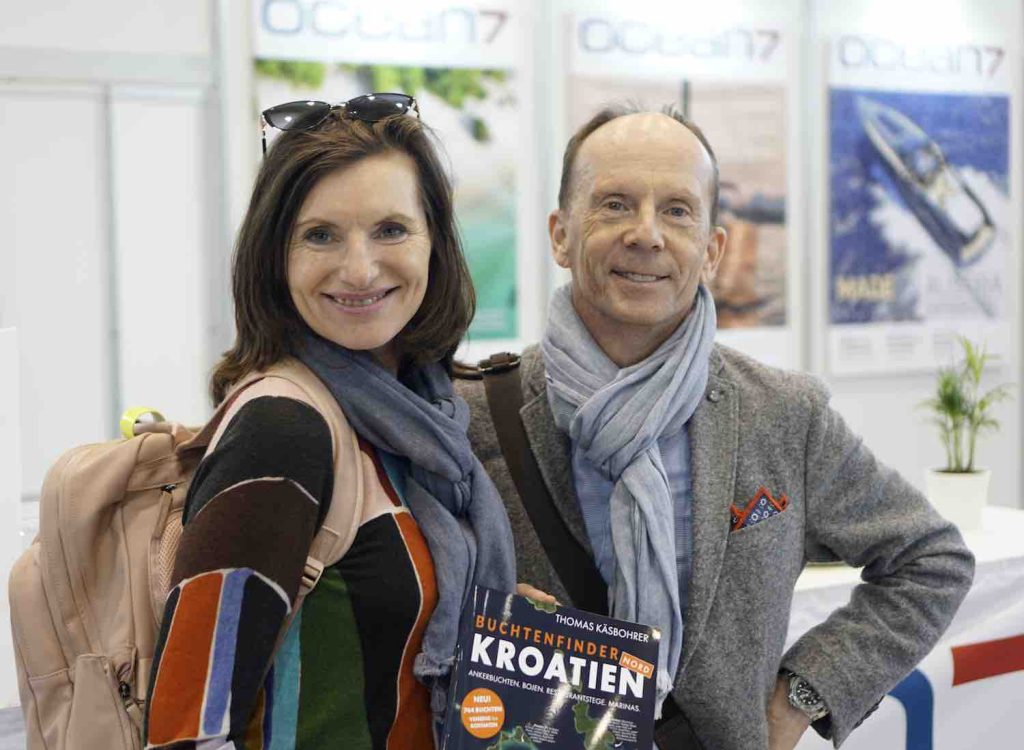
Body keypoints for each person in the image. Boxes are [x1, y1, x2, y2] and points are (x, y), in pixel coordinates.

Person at [457, 105, 975, 749]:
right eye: (615, 204)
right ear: (560, 235)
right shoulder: (473, 415)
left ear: (712, 250)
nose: (647, 234)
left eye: (677, 210)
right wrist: (471, 622)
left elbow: (931, 560)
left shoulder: (782, 414)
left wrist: (802, 696)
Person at [143, 94, 520, 749]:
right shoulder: (281, 432)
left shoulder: (422, 420)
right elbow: (187, 731)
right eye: (320, 235)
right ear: (276, 256)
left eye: (391, 229)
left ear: (434, 242)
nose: (360, 269)